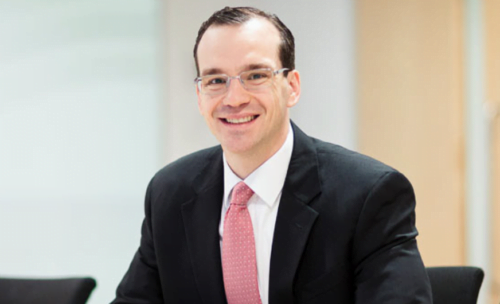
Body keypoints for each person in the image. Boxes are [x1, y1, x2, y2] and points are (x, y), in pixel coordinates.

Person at [112, 6, 432, 304]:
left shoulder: (368, 195)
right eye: (216, 80)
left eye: (255, 76)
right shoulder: (169, 192)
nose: (234, 98)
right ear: (199, 95)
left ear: (291, 86)